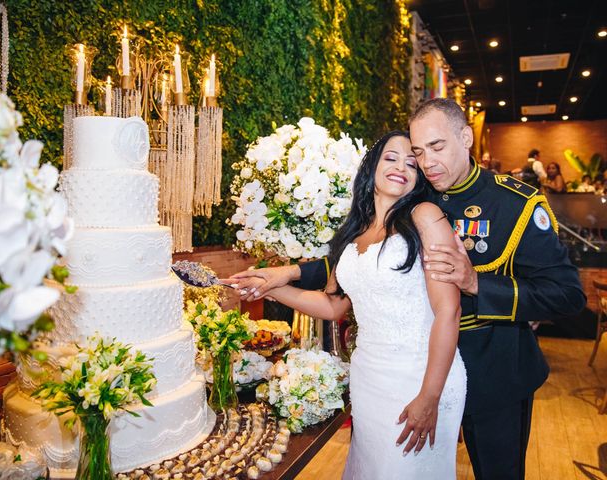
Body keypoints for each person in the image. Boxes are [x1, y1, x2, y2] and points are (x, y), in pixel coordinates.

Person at [230, 98, 586, 479]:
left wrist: (477, 283)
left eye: (437, 147)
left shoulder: (514, 203)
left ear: (465, 137)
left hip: (493, 367)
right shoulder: (415, 193)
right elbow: (364, 263)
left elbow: (567, 295)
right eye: (418, 152)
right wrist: (289, 274)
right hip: (410, 369)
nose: (427, 162)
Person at [230, 130, 467, 479]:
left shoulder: (425, 217)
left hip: (419, 377)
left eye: (412, 163)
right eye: (391, 157)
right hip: (369, 378)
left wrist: (428, 398)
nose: (402, 166)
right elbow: (332, 307)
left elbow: (450, 310)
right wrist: (269, 288)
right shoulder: (351, 234)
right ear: (371, 167)